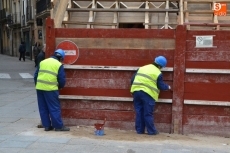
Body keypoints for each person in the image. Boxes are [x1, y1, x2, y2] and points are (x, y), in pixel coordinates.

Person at [130, 56, 172, 135]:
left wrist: (134, 89)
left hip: (136, 92)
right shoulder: (158, 72)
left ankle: (139, 130)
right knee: (148, 113)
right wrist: (168, 87)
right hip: (148, 94)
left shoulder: (142, 68)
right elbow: (161, 86)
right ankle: (151, 131)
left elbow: (132, 80)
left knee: (139, 112)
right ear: (160, 66)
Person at [34, 49, 70, 131]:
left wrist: (38, 84)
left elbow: (35, 75)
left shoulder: (43, 62)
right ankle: (58, 126)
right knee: (54, 108)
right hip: (50, 89)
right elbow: (61, 79)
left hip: (39, 88)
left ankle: (47, 126)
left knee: (43, 107)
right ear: (61, 58)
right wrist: (60, 86)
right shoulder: (58, 64)